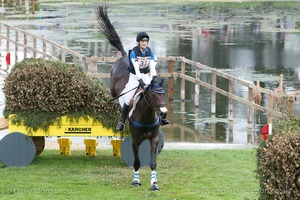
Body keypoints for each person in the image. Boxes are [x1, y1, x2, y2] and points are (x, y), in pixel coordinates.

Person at [115, 32, 170, 131]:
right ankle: (122, 122)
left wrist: (154, 76)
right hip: (134, 77)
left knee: (155, 93)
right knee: (128, 99)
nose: (144, 43)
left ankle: (162, 119)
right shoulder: (134, 52)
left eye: (146, 41)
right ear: (139, 42)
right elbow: (136, 68)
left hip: (145, 75)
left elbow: (152, 65)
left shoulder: (150, 52)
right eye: (142, 41)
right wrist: (139, 79)